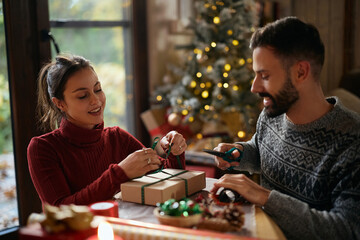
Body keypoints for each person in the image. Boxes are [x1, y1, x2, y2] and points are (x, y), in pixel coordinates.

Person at [211, 16, 360, 239]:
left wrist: (264, 197)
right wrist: (240, 153)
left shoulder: (352, 141)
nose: (254, 87)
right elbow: (262, 151)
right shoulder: (272, 114)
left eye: (265, 75)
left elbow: (345, 230)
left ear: (301, 72)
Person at [27, 54, 187, 207]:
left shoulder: (117, 137)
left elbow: (165, 178)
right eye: (83, 96)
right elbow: (60, 210)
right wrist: (119, 174)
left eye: (97, 89)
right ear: (59, 103)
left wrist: (174, 151)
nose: (96, 100)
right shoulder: (43, 148)